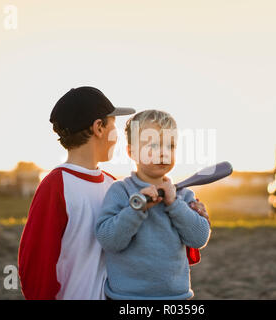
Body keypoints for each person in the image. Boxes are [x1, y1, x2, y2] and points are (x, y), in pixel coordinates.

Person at [18, 87, 209, 299]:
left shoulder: (111, 183)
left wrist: (187, 211)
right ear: (99, 127)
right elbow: (36, 261)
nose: (117, 135)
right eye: (113, 125)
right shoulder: (56, 185)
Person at [95, 109, 211, 300]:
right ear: (131, 152)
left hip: (175, 297)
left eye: (170, 146)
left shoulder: (183, 194)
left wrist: (175, 205)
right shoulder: (120, 191)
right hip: (126, 297)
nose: (163, 153)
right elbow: (109, 240)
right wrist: (136, 210)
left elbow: (199, 238)